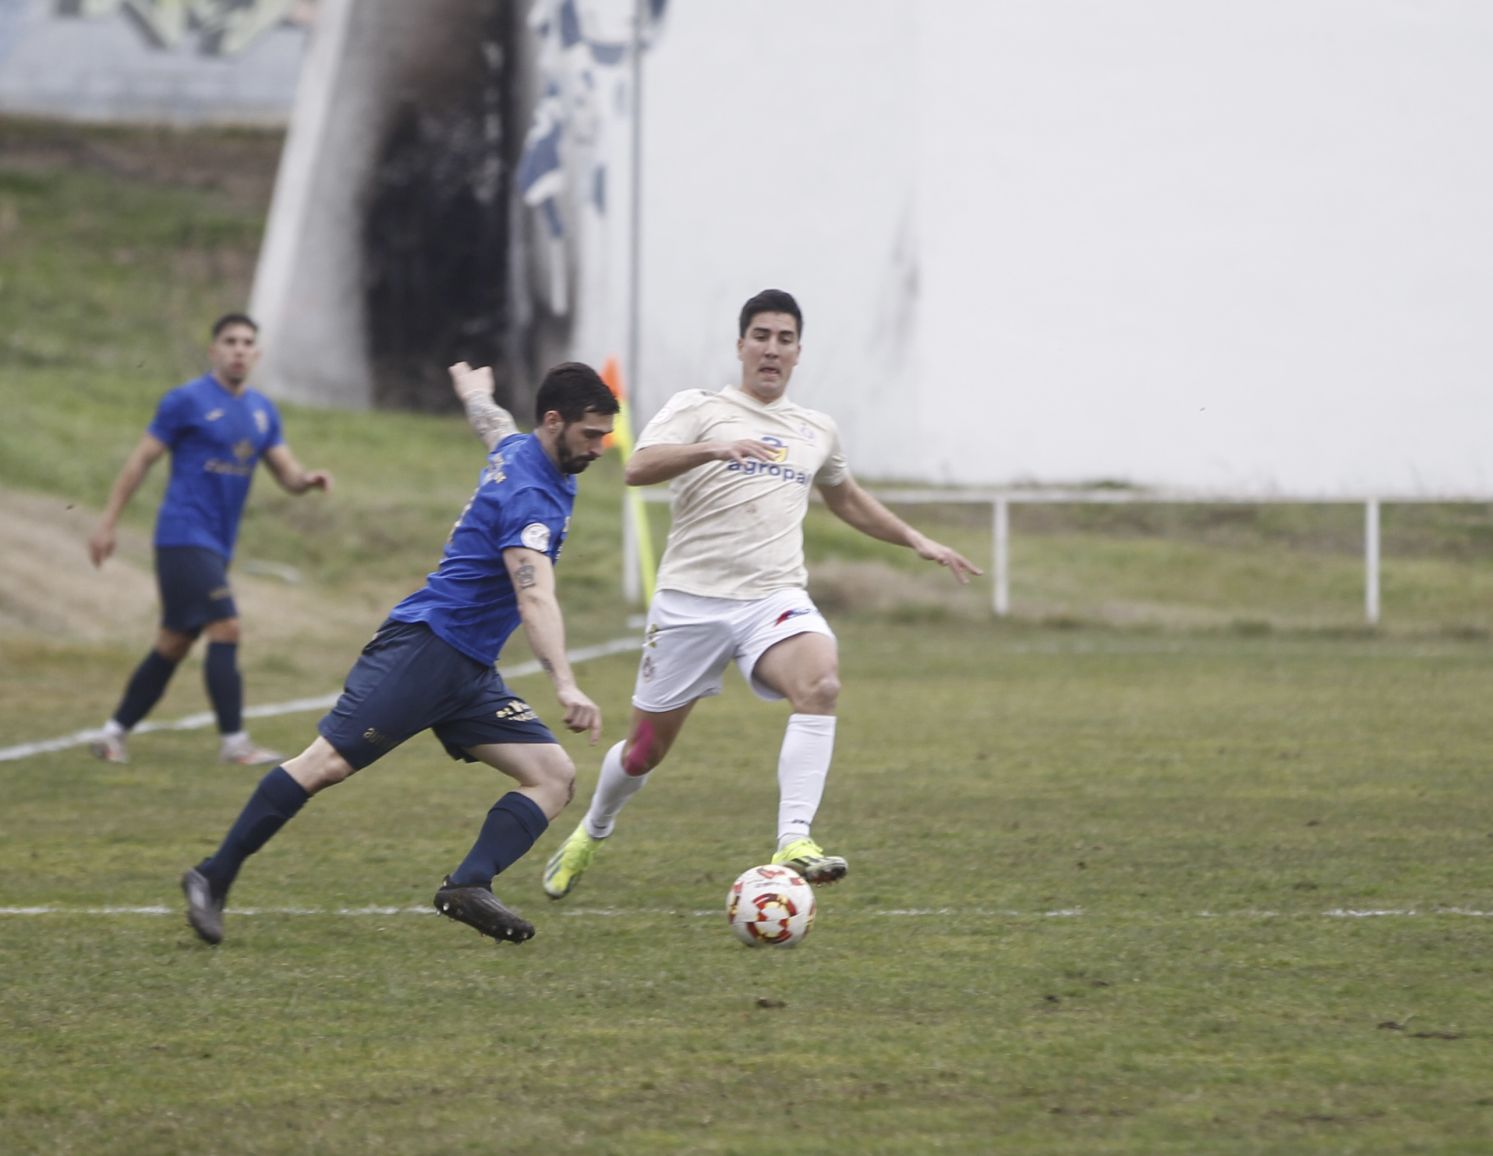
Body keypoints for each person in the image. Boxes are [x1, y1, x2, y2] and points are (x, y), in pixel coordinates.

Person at [540, 288, 981, 899]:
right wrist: (715, 447)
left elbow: (844, 497)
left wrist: (914, 539)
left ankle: (794, 839)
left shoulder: (815, 429)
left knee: (821, 681)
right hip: (690, 603)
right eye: (762, 337)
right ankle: (593, 829)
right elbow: (637, 467)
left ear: (799, 352)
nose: (773, 349)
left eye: (786, 339)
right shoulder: (699, 408)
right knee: (644, 752)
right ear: (741, 345)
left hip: (770, 599)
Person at [178, 361, 618, 946]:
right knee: (323, 766)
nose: (600, 448)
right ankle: (212, 876)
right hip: (427, 650)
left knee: (553, 777)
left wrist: (476, 394)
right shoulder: (530, 496)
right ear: (555, 422)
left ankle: (467, 885)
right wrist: (564, 683)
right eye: (591, 435)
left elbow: (495, 427)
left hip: (469, 670)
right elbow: (534, 597)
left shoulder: (523, 450)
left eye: (605, 435)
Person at [88, 313, 333, 766]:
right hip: (181, 536)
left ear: (256, 354)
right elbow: (141, 459)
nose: (239, 349)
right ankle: (234, 744)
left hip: (217, 545)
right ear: (214, 350)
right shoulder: (186, 400)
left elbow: (286, 473)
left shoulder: (262, 410)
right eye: (230, 341)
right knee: (227, 624)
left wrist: (307, 480)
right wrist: (108, 522)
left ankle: (112, 734)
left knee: (174, 644)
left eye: (247, 343)